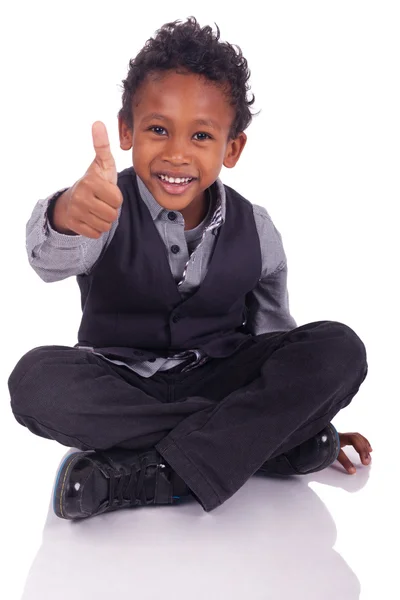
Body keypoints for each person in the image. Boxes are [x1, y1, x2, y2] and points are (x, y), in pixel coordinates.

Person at [8, 17, 372, 521]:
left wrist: (306, 402)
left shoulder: (257, 228)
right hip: (122, 381)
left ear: (232, 148)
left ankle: (150, 475)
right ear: (127, 131)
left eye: (201, 135)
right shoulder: (105, 207)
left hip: (221, 374)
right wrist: (67, 214)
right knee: (34, 382)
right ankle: (255, 447)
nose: (177, 153)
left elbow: (275, 336)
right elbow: (47, 261)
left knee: (339, 347)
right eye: (158, 129)